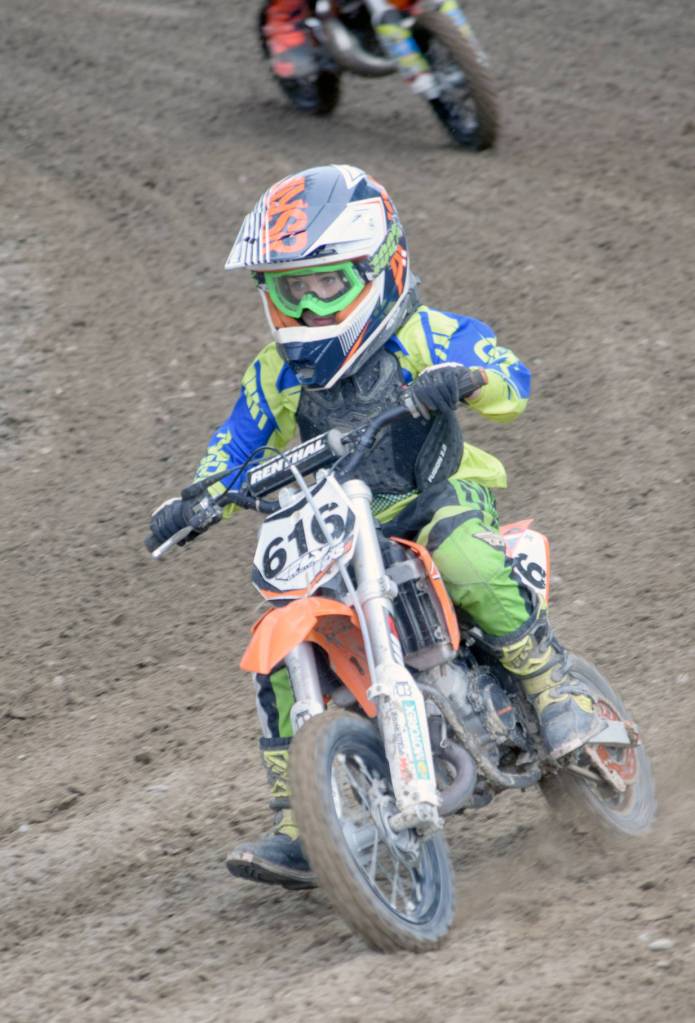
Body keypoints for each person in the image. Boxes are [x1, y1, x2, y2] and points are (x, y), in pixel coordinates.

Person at [148, 164, 606, 890]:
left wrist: (466, 380)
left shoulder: (426, 332)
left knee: (464, 556)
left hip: (433, 494)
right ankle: (303, 819)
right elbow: (232, 445)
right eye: (290, 289)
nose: (306, 305)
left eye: (326, 283)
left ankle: (554, 689)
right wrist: (200, 495)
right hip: (337, 529)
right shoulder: (274, 373)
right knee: (278, 652)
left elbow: (510, 381)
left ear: (379, 267)